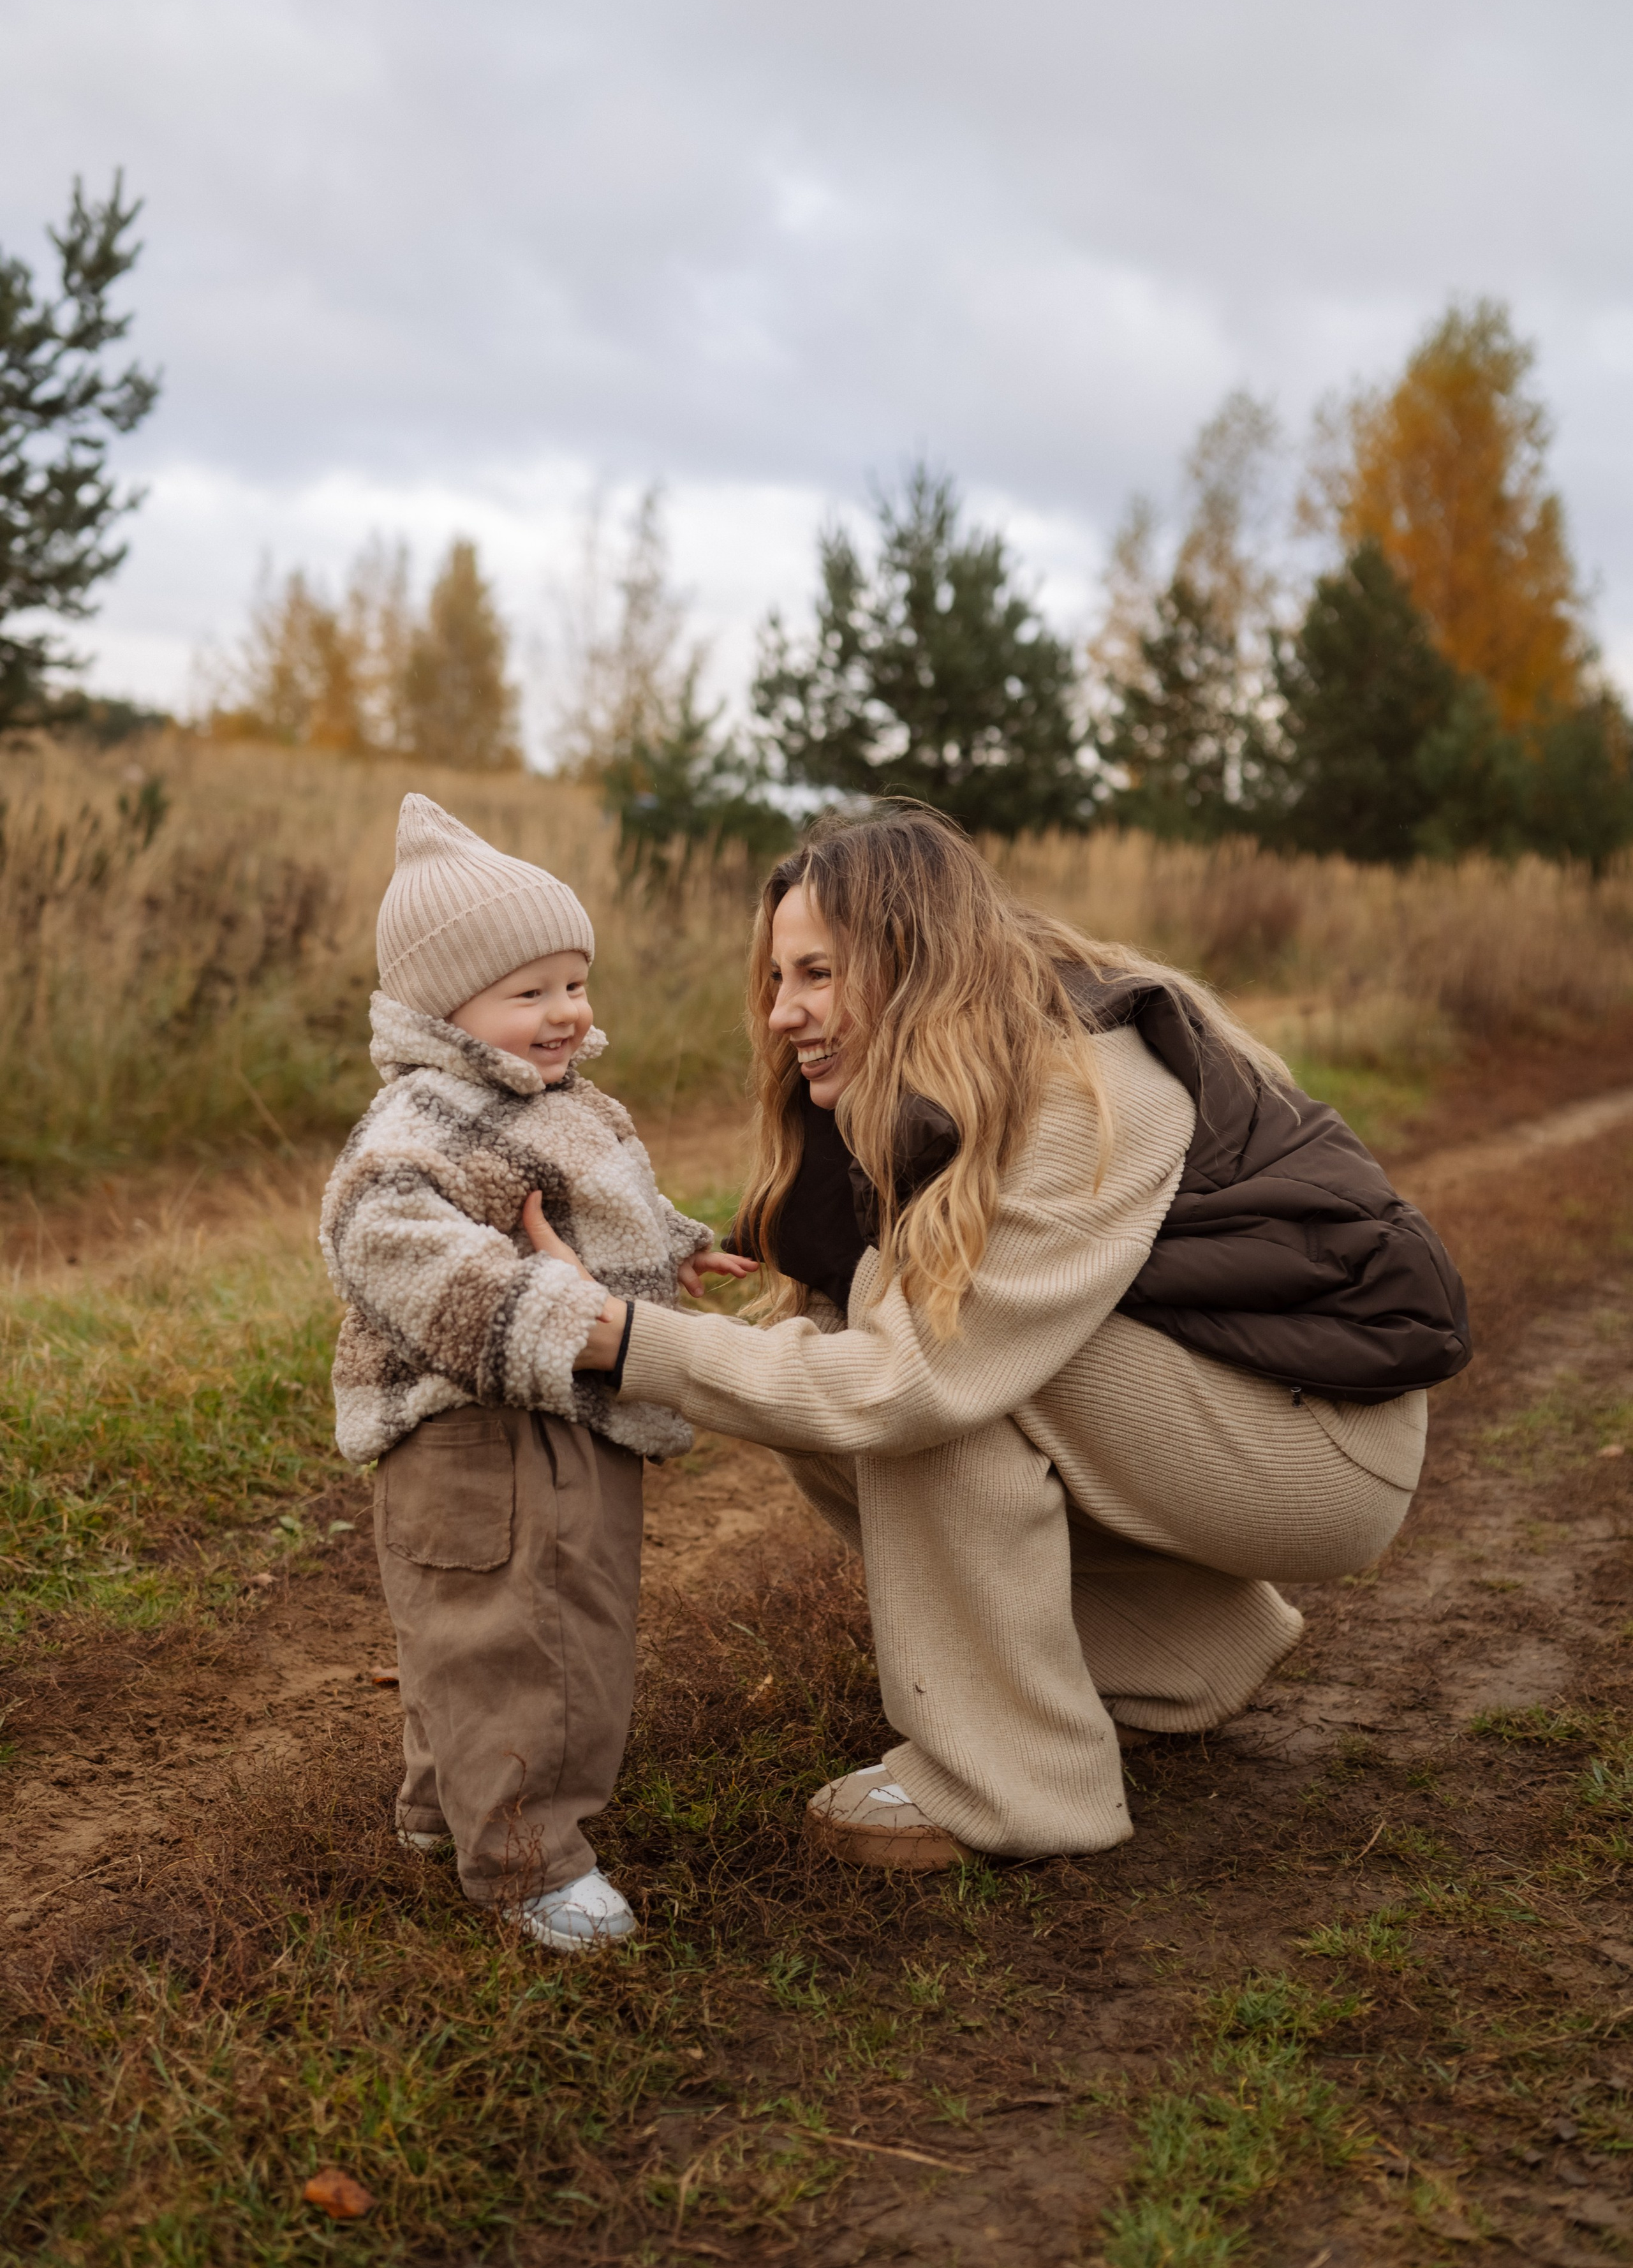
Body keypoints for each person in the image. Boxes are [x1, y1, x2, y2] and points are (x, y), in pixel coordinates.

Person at [549, 808, 1469, 1872]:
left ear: (908, 960)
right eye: (776, 979)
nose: (783, 1011)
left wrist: (622, 1340)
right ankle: (1178, 1658)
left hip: (1324, 1450)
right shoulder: (953, 1069)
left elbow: (912, 1382)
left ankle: (1016, 1784)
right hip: (1242, 1411)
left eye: (816, 974)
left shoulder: (1081, 1083)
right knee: (838, 1345)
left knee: (923, 1361)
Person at [320, 794, 751, 1948]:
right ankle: (529, 1863)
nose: (566, 1012)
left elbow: (606, 1207)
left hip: (562, 1406)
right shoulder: (417, 1122)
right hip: (488, 1423)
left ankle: (438, 1808)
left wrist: (675, 1245)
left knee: (483, 1627)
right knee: (530, 1639)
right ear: (440, 1009)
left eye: (574, 982)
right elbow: (385, 1240)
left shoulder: (549, 1102)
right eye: (531, 993)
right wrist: (555, 1311)